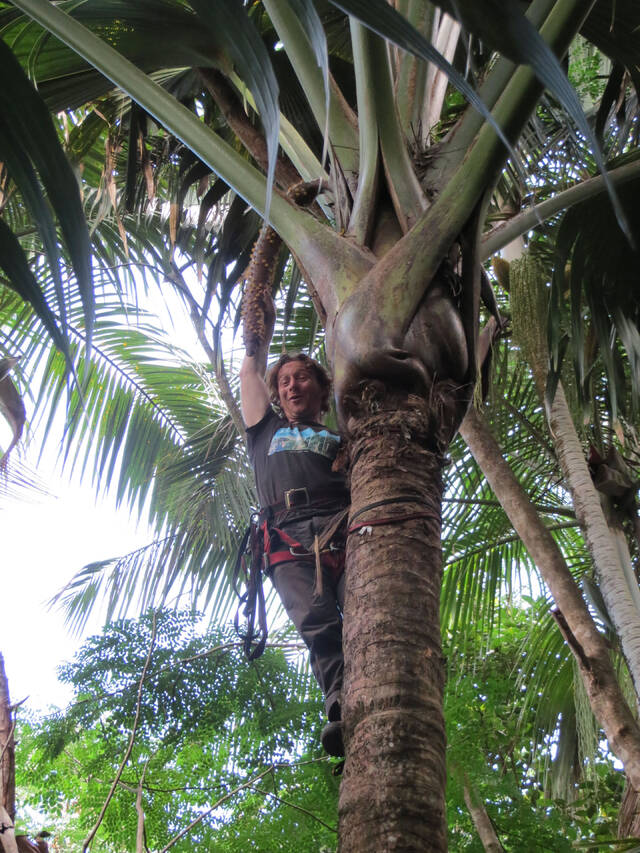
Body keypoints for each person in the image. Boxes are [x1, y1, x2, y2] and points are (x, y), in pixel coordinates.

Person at [239, 304, 349, 758]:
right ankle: (341, 703)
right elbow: (249, 371)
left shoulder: (344, 439)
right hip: (286, 537)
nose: (291, 385)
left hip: (344, 528)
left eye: (302, 377)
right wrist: (257, 313)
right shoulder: (264, 432)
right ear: (277, 396)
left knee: (365, 615)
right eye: (284, 382)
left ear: (324, 391)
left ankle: (376, 686)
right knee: (316, 623)